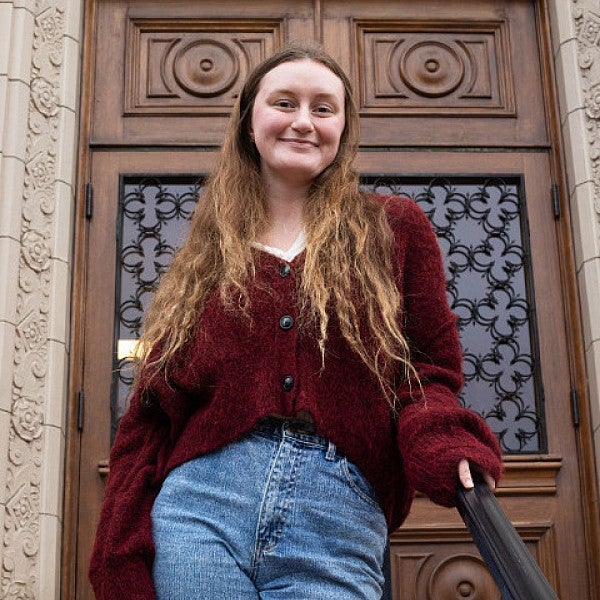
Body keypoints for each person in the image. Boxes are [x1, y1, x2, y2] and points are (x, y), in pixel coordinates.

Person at [89, 42, 502, 600]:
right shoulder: (210, 253)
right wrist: (118, 551)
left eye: (324, 108)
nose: (303, 122)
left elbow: (427, 372)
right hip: (201, 506)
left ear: (343, 128)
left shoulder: (394, 228)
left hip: (336, 511)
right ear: (249, 119)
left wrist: (443, 438)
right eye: (284, 103)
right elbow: (152, 415)